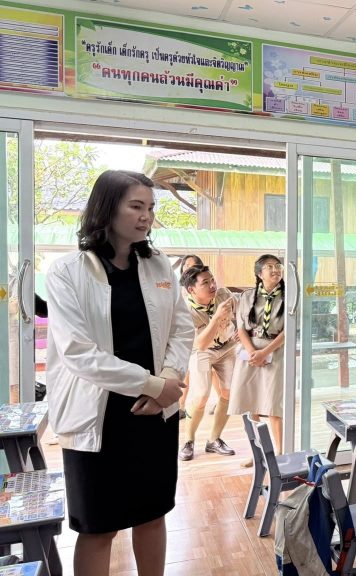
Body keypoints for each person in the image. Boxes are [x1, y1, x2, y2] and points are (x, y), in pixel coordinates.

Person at [45, 170, 193, 576]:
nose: (146, 216)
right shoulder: (67, 271)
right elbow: (78, 352)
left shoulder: (158, 265)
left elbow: (182, 327)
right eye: (136, 206)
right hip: (97, 418)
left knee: (153, 515)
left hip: (154, 412)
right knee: (98, 528)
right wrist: (156, 385)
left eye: (151, 208)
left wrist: (169, 377)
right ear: (107, 208)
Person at [178, 264, 237, 461]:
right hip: (201, 351)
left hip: (227, 347)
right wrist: (217, 317)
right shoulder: (185, 311)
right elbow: (201, 344)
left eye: (212, 280)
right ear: (191, 289)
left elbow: (244, 312)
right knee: (201, 395)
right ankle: (188, 441)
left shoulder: (224, 295)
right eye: (205, 283)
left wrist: (243, 329)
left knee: (229, 392)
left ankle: (214, 439)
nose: (213, 285)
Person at [228, 254, 286, 452]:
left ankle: (280, 454)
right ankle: (258, 454)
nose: (275, 270)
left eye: (277, 266)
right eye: (270, 266)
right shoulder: (246, 296)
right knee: (250, 403)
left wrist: (265, 352)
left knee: (274, 405)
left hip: (275, 352)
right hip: (249, 353)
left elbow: (288, 332)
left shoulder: (289, 297)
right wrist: (254, 352)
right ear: (260, 273)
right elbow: (241, 328)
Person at [176, 254, 204, 419]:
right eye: (186, 265)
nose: (188, 268)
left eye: (192, 266)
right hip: (183, 334)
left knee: (212, 371)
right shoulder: (178, 288)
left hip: (201, 334)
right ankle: (181, 405)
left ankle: (223, 400)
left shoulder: (203, 285)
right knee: (184, 370)